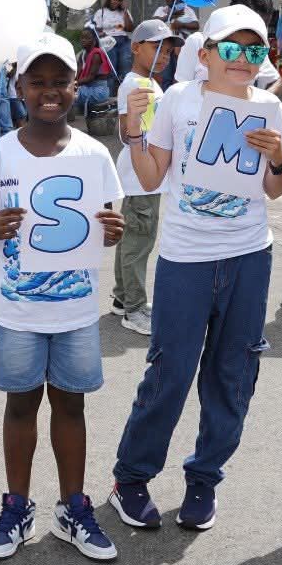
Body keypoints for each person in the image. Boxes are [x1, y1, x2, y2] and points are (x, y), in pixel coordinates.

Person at [110, 4, 282, 532]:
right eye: (231, 49)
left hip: (249, 255)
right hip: (185, 257)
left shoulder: (268, 108)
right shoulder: (178, 100)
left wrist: (278, 156)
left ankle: (204, 478)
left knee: (233, 374)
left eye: (254, 50)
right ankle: (132, 475)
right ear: (206, 53)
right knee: (170, 371)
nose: (243, 60)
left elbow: (274, 189)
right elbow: (149, 177)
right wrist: (133, 132)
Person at [0, 36, 125, 562]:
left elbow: (106, 221)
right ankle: (17, 506)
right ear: (20, 88)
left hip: (76, 311)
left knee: (71, 404)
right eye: (38, 83)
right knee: (21, 404)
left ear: (77, 87)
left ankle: (73, 508)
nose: (50, 92)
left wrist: (114, 230)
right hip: (17, 312)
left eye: (61, 82)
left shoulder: (94, 154)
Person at [111, 20, 177, 337]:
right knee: (139, 243)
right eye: (157, 47)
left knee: (131, 241)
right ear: (136, 47)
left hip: (144, 176)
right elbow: (126, 133)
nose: (164, 55)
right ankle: (134, 309)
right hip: (141, 178)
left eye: (169, 49)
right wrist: (135, 119)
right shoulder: (134, 84)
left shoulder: (151, 83)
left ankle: (123, 299)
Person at [173, 0, 282, 96]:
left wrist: (260, 105)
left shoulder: (255, 51)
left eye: (263, 24)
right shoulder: (197, 41)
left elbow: (277, 82)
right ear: (205, 56)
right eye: (228, 50)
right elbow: (180, 87)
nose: (242, 59)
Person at [90, 0, 136, 80]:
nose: (116, 2)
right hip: (109, 42)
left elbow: (130, 28)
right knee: (111, 69)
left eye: (119, 0)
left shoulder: (124, 12)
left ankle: (125, 91)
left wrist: (125, 10)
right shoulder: (101, 12)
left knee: (126, 67)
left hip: (124, 41)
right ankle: (111, 93)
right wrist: (102, 33)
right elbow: (95, 29)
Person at [73, 28, 113, 116]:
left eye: (87, 38)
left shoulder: (96, 55)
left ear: (94, 40)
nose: (83, 40)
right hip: (86, 88)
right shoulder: (82, 55)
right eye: (82, 37)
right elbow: (77, 74)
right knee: (67, 91)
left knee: (69, 94)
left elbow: (90, 78)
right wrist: (71, 82)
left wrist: (73, 84)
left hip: (98, 91)